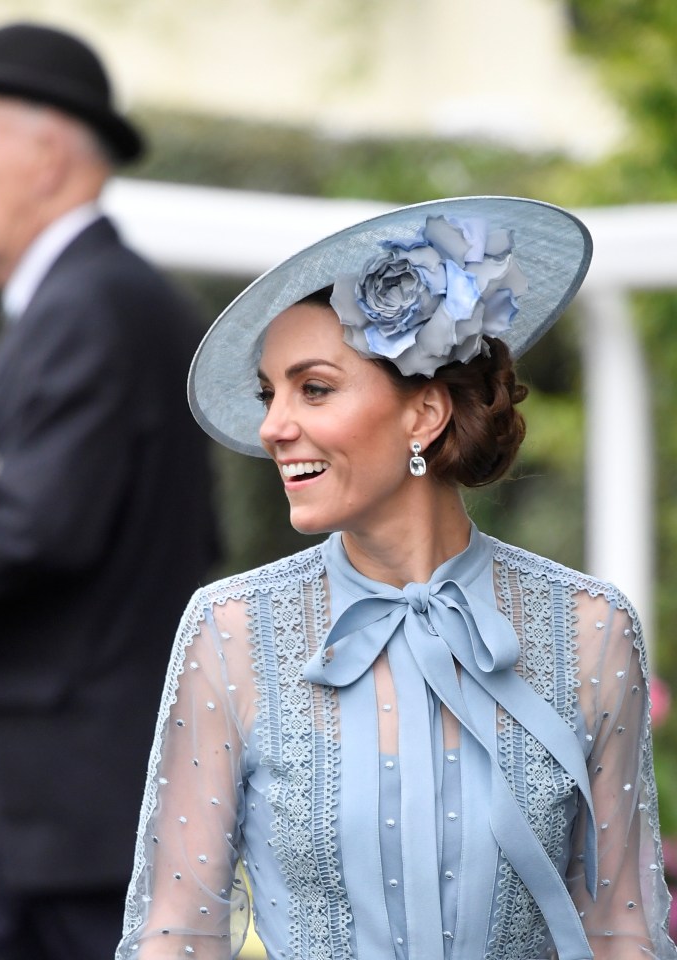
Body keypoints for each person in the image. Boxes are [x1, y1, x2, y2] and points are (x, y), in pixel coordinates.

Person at [116, 196, 677, 960]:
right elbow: (176, 932)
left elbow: (624, 929)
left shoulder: (589, 627)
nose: (274, 426)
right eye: (268, 394)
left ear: (425, 415)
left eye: (312, 388)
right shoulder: (231, 629)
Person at [0, 21, 217, 960]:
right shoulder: (77, 300)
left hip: (80, 805)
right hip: (47, 806)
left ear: (48, 155)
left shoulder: (93, 302)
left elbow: (34, 523)